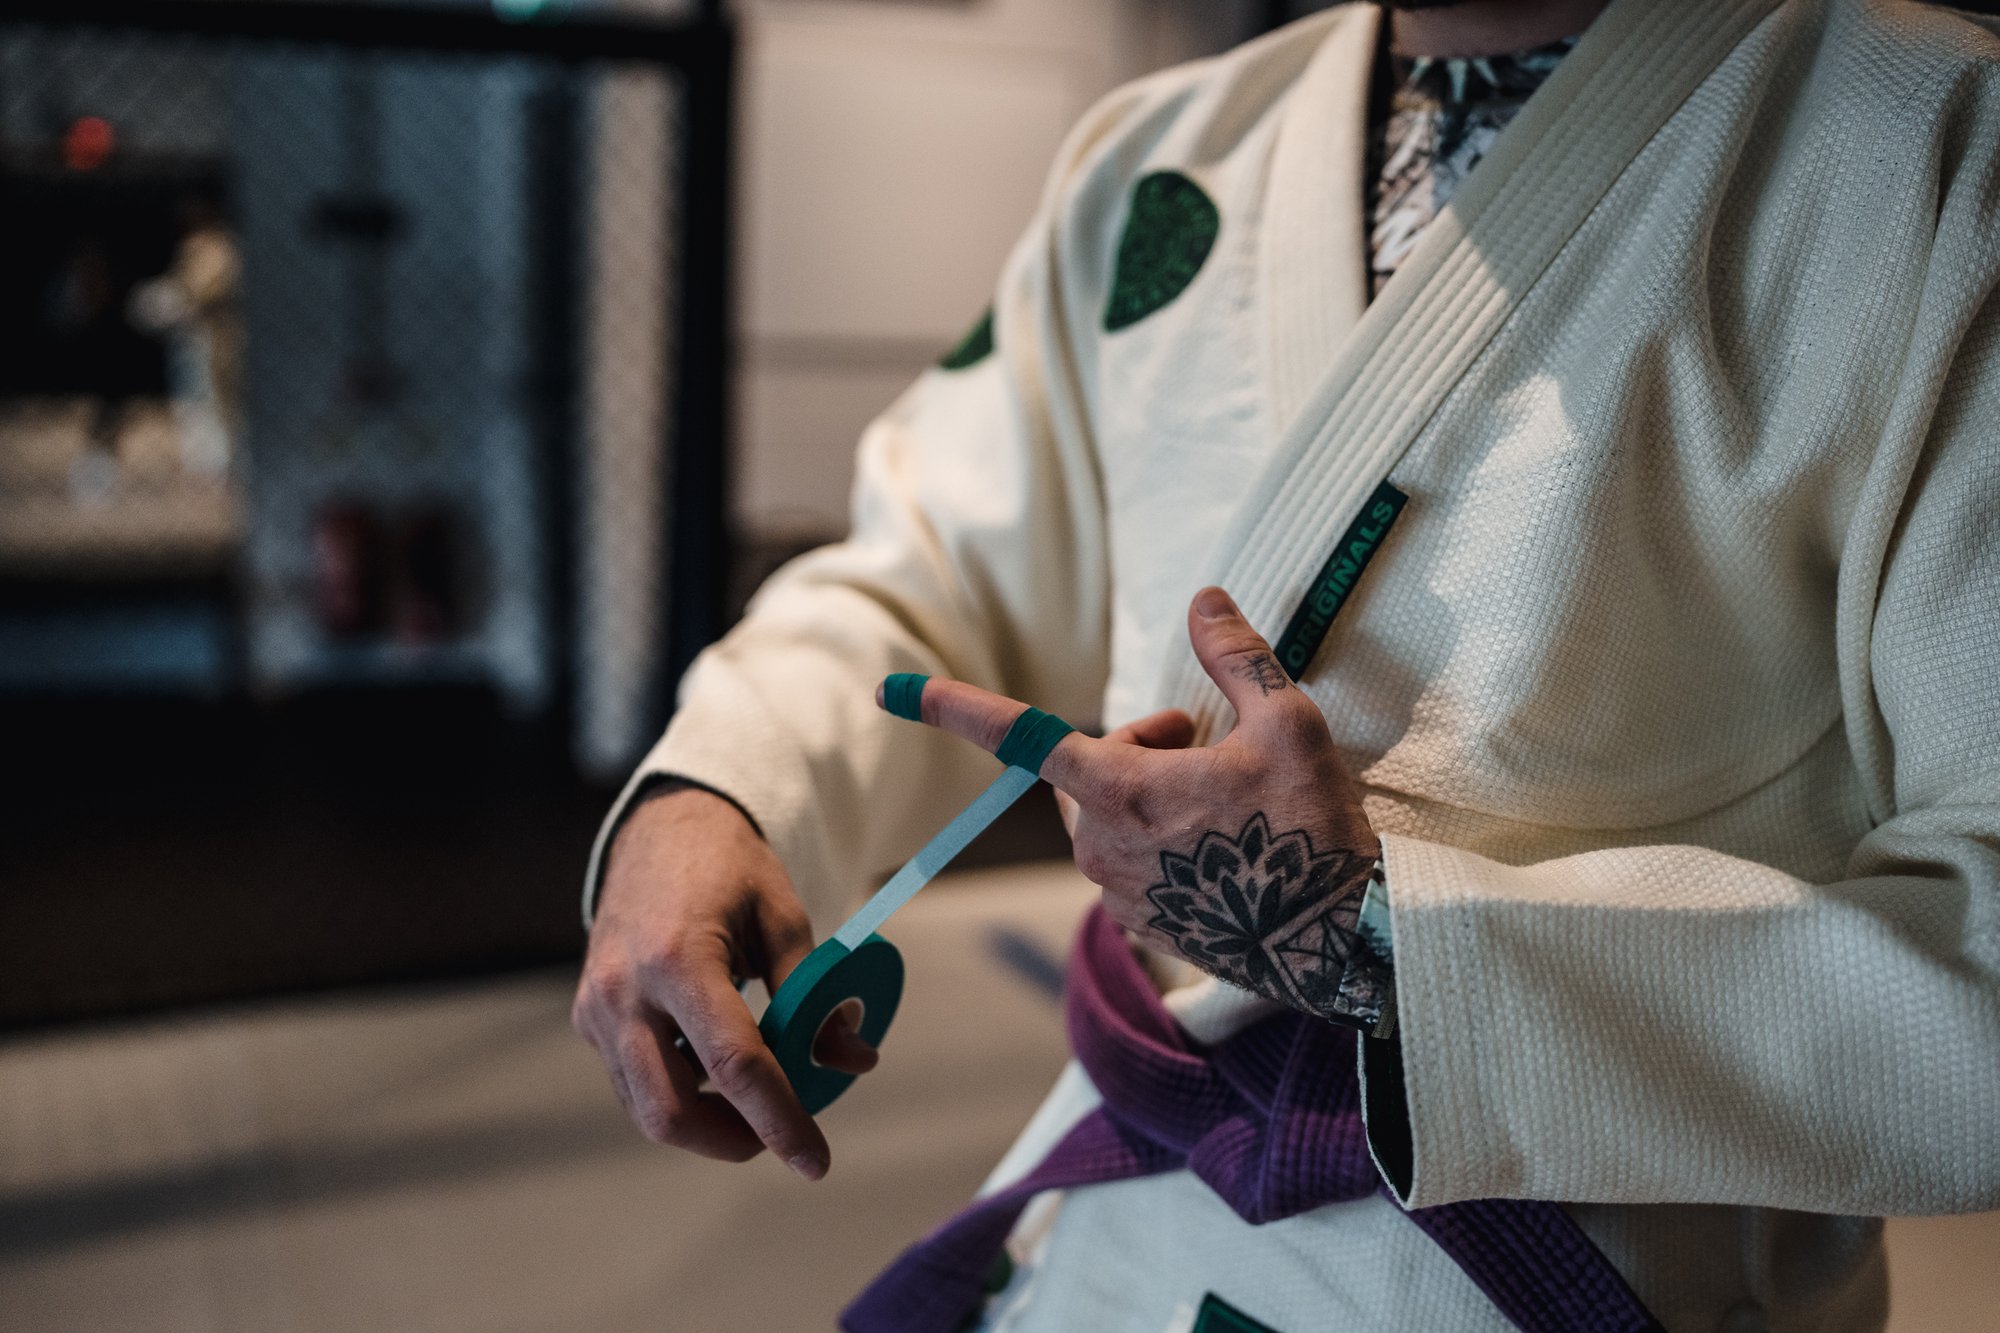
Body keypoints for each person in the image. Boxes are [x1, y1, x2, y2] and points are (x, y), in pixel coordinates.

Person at [571, 0, 2000, 1327]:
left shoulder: (1934, 140)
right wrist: (720, 788)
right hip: (1119, 1222)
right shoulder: (1163, 151)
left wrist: (1388, 942)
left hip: (1550, 1285)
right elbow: (932, 575)